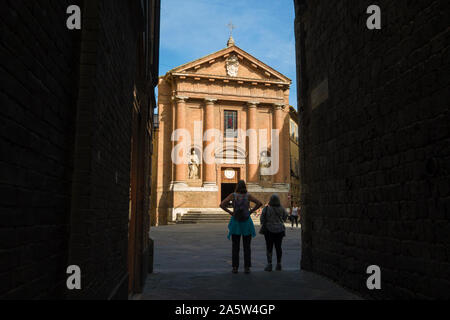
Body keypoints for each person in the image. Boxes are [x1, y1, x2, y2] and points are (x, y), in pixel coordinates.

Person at [220, 180, 262, 274]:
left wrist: (230, 212)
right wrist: (251, 211)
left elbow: (222, 204)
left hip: (236, 222)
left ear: (237, 186)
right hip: (246, 222)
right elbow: (259, 203)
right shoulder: (248, 195)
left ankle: (235, 267)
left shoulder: (233, 195)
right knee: (247, 247)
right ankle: (247, 268)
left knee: (235, 246)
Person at [260, 194, 288, 272]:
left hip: (269, 230)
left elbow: (262, 219)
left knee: (269, 247)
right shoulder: (282, 208)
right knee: (278, 247)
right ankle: (279, 264)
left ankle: (269, 264)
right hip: (280, 230)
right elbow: (285, 217)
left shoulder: (266, 208)